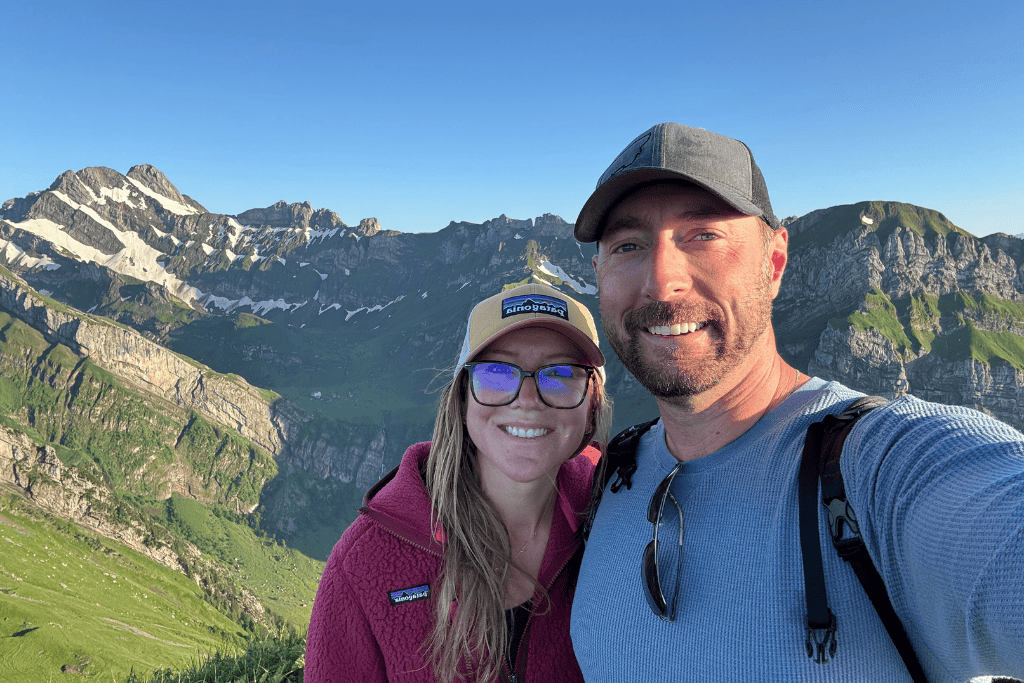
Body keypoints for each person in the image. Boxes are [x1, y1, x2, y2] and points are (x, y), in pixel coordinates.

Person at [568, 122, 1024, 682]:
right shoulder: (612, 476)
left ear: (774, 262)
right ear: (598, 275)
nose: (662, 284)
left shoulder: (878, 468)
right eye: (628, 246)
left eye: (703, 235)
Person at [306, 282, 612, 683]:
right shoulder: (365, 562)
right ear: (463, 399)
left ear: (592, 405)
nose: (527, 399)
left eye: (561, 375)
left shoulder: (620, 522)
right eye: (498, 374)